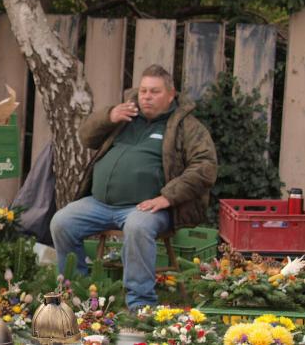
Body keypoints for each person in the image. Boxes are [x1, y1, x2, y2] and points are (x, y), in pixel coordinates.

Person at [50, 64, 217, 309]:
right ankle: (75, 294)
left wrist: (167, 198)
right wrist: (108, 117)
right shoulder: (124, 116)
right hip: (99, 204)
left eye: (155, 92)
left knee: (138, 227)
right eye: (144, 91)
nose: (147, 96)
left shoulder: (187, 127)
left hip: (149, 207)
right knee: (62, 222)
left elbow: (205, 167)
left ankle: (140, 304)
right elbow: (86, 137)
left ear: (171, 95)